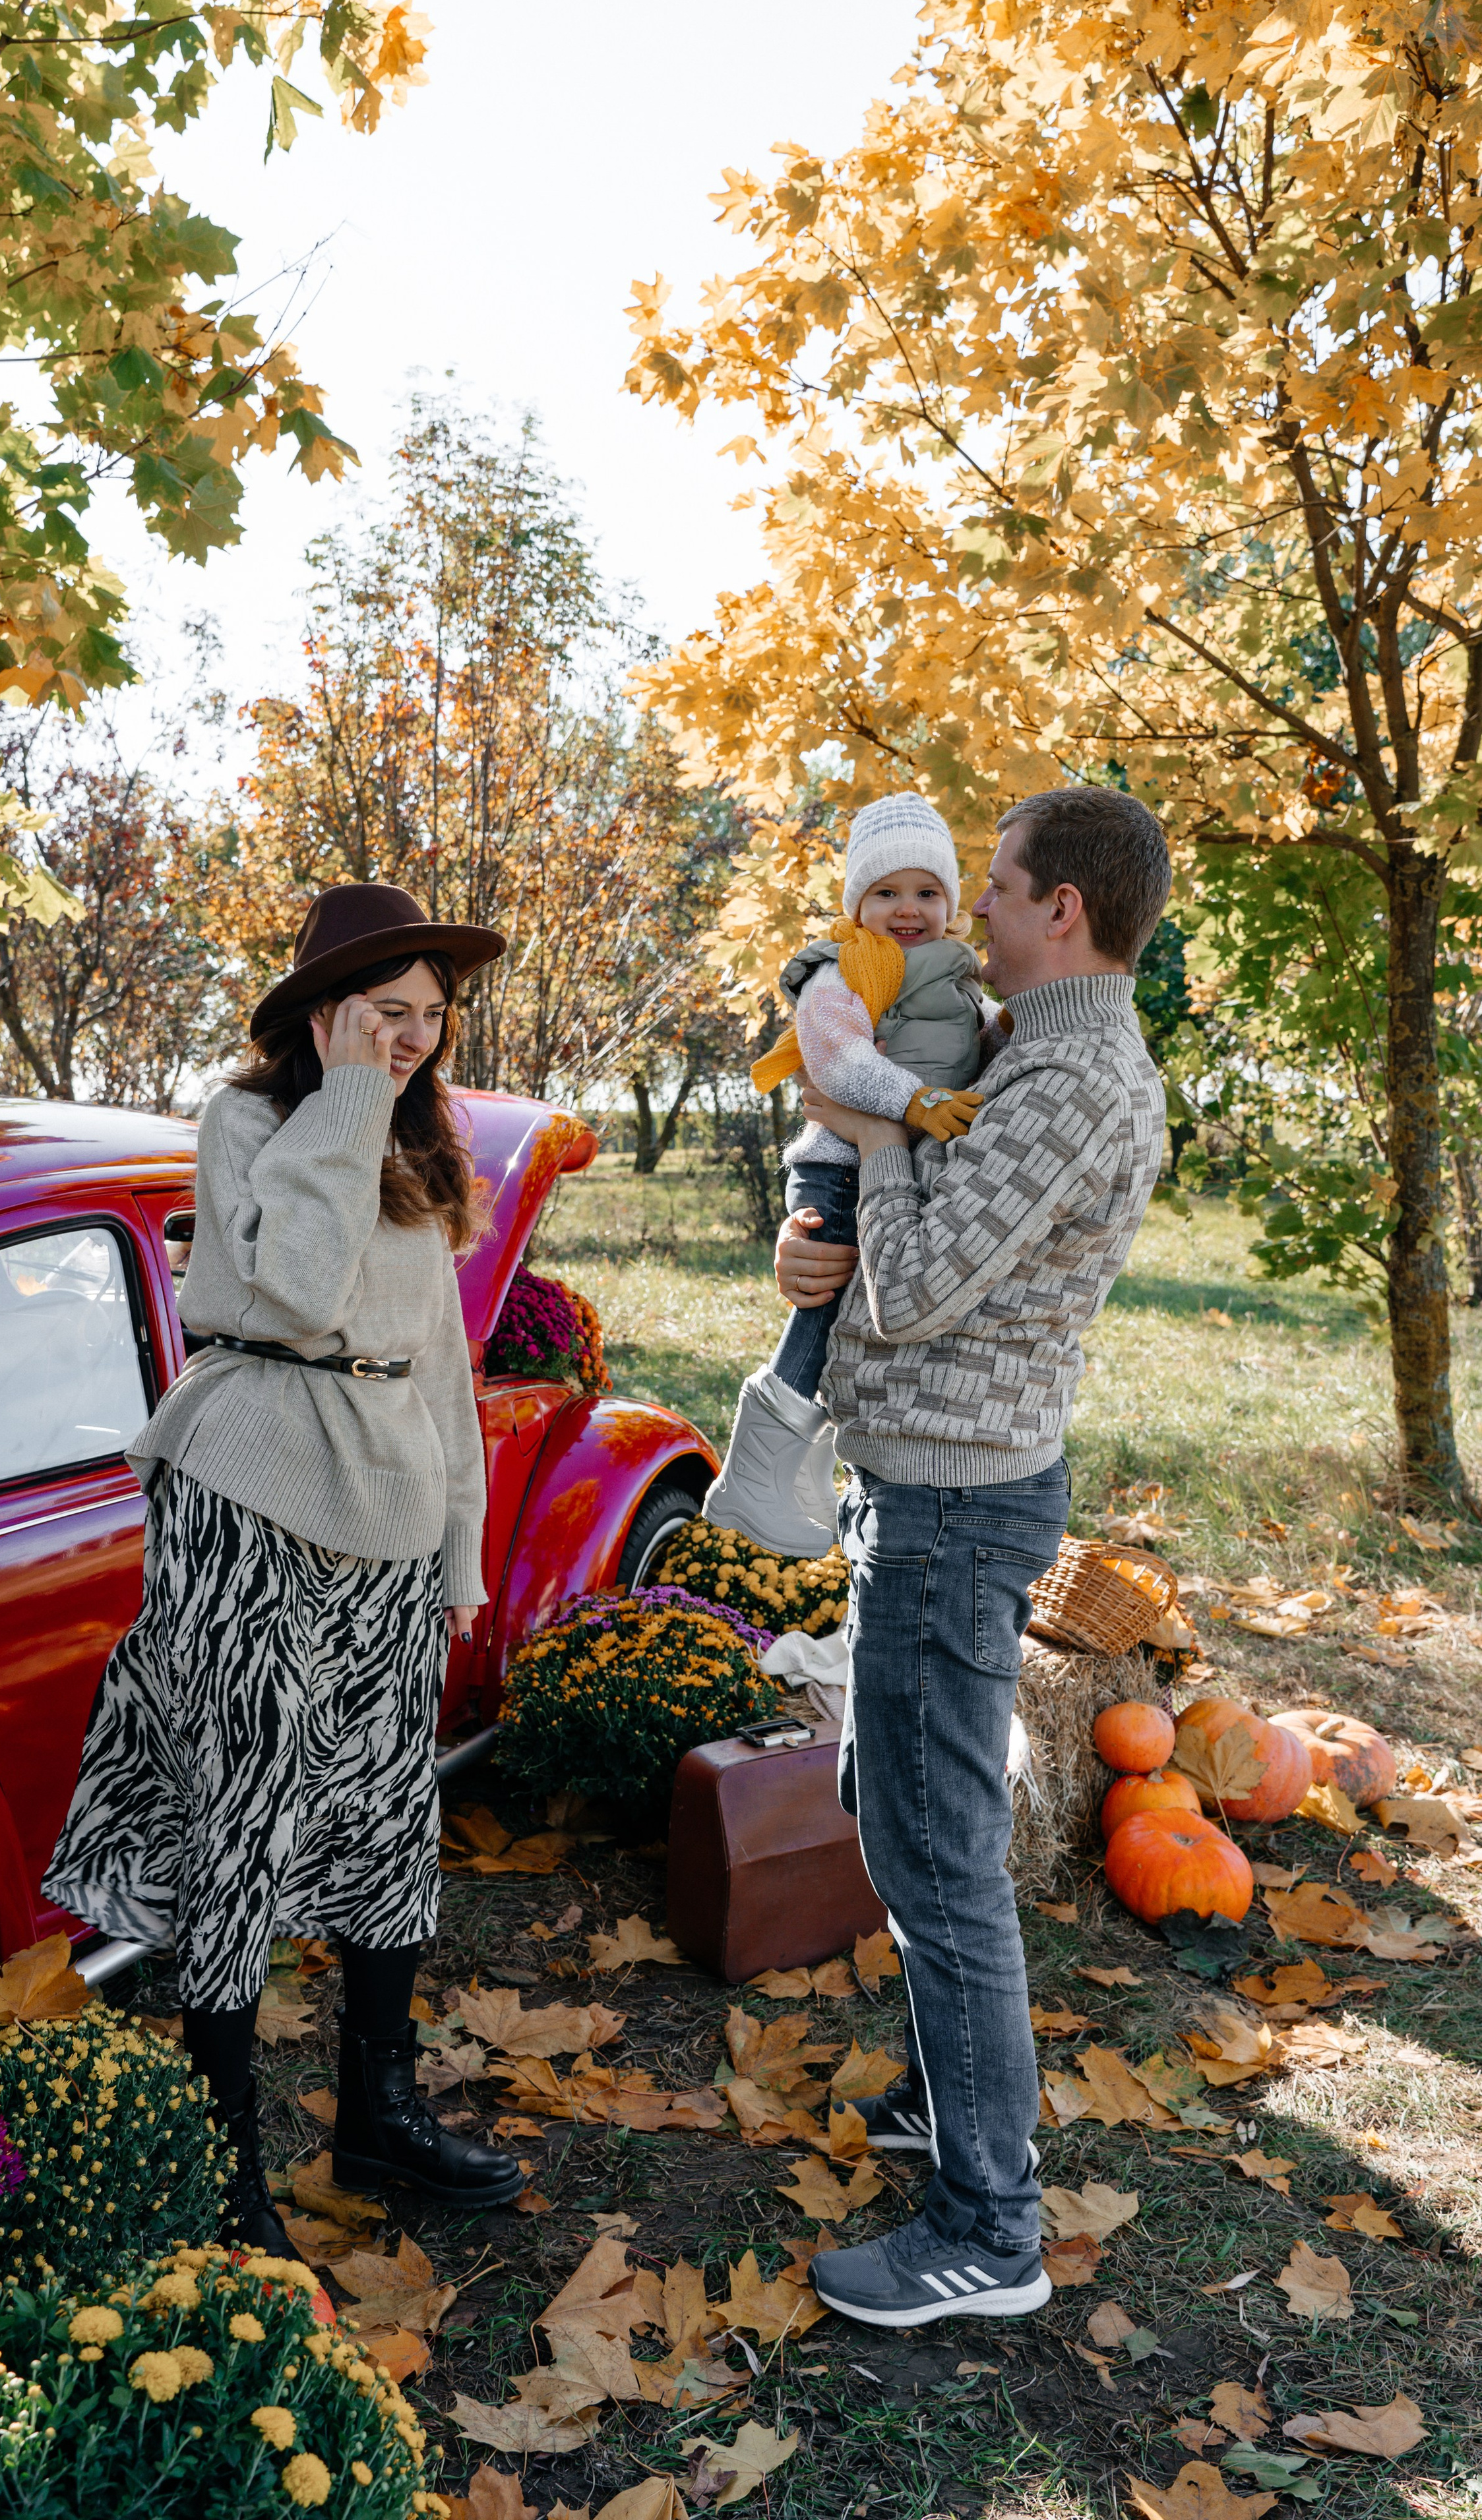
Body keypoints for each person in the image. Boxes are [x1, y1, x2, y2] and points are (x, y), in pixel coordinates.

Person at [45, 883, 526, 2258]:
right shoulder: (252, 1119)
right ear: (322, 1016)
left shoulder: (417, 1139)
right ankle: (220, 2156)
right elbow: (302, 1291)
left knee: (385, 1812)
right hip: (254, 1479)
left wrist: (460, 1549)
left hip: (385, 1497)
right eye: (388, 1015)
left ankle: (375, 2114)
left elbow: (440, 1357)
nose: (414, 1041)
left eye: (432, 1018)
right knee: (239, 1822)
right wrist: (345, 1093)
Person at [773, 786, 1171, 2330]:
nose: (971, 912)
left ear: (1059, 907)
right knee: (891, 1798)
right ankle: (955, 2101)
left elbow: (926, 1276)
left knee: (937, 1855)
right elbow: (911, 1237)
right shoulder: (1026, 1054)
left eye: (994, 888)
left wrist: (863, 1117)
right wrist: (821, 1238)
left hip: (953, 1500)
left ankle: (983, 2226)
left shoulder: (1071, 1079)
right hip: (925, 1479)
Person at [702, 795, 993, 1558]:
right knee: (822, 1310)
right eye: (886, 892)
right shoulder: (844, 969)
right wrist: (914, 1102)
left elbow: (984, 1040)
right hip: (837, 1170)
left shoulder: (959, 977)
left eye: (927, 893)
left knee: (857, 1320)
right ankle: (749, 1478)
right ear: (856, 903)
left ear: (950, 905)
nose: (907, 910)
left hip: (897, 1164)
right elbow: (836, 1059)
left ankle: (797, 1475)